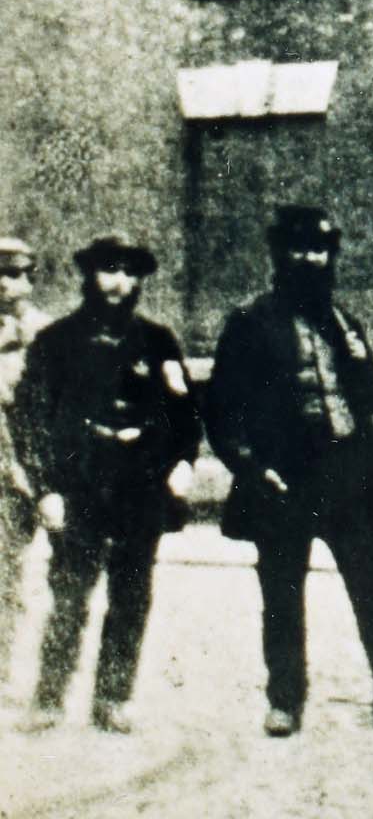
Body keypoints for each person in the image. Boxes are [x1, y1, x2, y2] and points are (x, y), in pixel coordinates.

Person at [205, 204, 373, 736]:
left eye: (320, 250)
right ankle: (285, 700)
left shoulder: (345, 322)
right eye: (299, 249)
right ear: (278, 256)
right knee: (282, 592)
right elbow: (221, 409)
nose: (310, 260)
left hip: (347, 476)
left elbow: (368, 401)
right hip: (283, 479)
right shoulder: (249, 324)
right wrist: (250, 466)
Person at [12, 233, 198, 733]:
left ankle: (113, 698)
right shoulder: (57, 342)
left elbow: (185, 413)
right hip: (80, 486)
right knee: (70, 593)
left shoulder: (157, 341)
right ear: (88, 275)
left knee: (132, 594)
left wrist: (184, 462)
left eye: (130, 271)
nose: (119, 282)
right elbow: (30, 418)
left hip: (140, 489)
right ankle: (50, 698)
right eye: (109, 269)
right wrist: (46, 488)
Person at [0, 238, 49, 691]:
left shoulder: (44, 333)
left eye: (21, 274)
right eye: (5, 273)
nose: (12, 284)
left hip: (28, 469)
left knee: (12, 575)